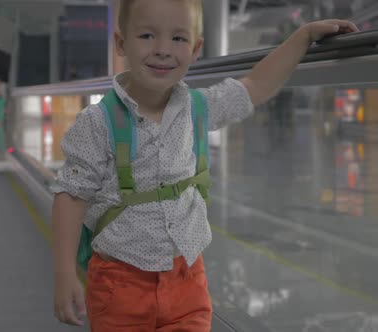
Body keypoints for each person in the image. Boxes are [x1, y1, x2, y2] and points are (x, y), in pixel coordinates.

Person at [50, 0, 358, 331]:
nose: (163, 50)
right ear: (121, 43)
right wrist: (65, 274)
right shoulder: (98, 123)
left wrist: (303, 36)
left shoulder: (199, 108)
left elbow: (256, 85)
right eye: (147, 35)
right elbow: (72, 196)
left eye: (178, 39)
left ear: (196, 49)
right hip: (119, 282)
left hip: (188, 280)